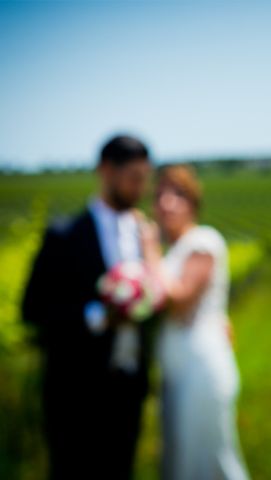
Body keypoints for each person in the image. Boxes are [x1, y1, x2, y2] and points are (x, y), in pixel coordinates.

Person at [22, 135, 153, 480]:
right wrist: (96, 317)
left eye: (144, 178)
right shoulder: (64, 235)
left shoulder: (144, 235)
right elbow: (32, 309)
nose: (141, 188)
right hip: (75, 391)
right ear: (106, 171)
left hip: (128, 387)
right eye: (134, 178)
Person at [139, 165, 249, 480]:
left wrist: (149, 252)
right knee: (180, 455)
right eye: (159, 195)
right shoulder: (174, 250)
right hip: (177, 368)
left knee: (210, 456)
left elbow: (179, 301)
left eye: (178, 194)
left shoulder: (203, 241)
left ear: (193, 202)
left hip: (201, 368)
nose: (167, 203)